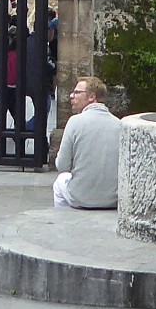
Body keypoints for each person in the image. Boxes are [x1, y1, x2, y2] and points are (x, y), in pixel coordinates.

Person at [52, 76, 119, 210]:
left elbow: (62, 166)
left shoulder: (74, 122)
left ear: (92, 97)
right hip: (113, 199)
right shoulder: (119, 124)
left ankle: (61, 218)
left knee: (60, 182)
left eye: (77, 92)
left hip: (81, 197)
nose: (71, 96)